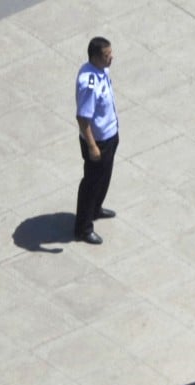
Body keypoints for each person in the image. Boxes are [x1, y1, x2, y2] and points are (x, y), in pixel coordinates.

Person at [74, 36, 119, 245]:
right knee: (91, 183)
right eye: (107, 56)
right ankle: (83, 227)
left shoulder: (103, 70)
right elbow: (83, 118)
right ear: (95, 57)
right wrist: (92, 146)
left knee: (105, 177)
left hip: (109, 134)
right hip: (98, 141)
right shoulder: (88, 83)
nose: (111, 59)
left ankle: (96, 209)